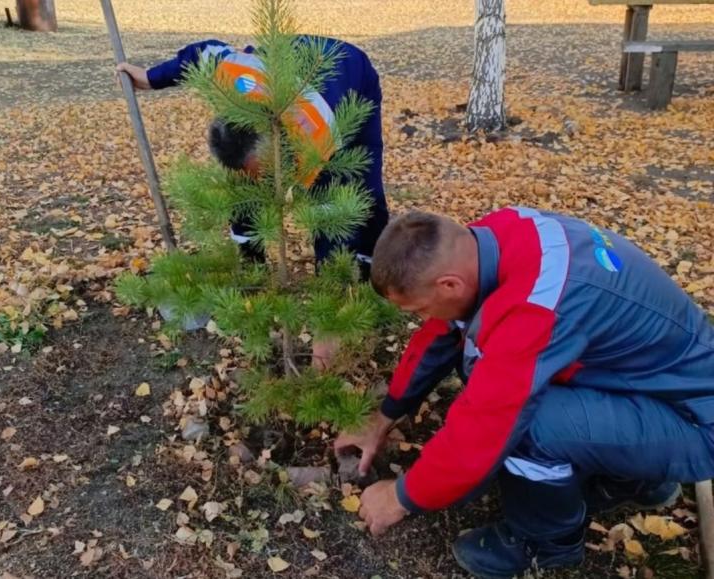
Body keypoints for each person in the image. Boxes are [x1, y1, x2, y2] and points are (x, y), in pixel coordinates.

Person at [335, 207, 714, 578]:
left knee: (526, 423)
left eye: (418, 309)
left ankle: (548, 541)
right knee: (483, 362)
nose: (421, 318)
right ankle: (638, 478)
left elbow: (484, 430)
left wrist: (400, 496)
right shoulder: (491, 239)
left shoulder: (535, 305)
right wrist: (385, 414)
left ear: (449, 284)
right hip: (658, 388)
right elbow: (443, 331)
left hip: (695, 423)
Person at [116, 36, 388, 277]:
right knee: (243, 186)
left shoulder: (317, 131)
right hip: (282, 65)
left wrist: (330, 285)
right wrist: (152, 78)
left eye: (265, 168)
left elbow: (329, 205)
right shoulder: (232, 78)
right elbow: (203, 53)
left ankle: (371, 263)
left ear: (280, 142)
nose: (264, 180)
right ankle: (251, 262)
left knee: (363, 181)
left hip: (351, 77)